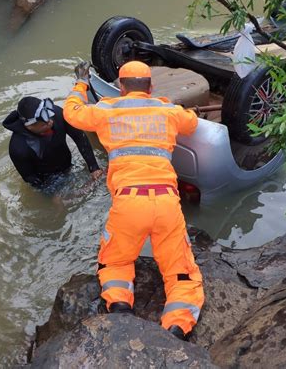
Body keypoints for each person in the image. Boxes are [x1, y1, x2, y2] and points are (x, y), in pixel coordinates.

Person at [63, 60, 204, 340]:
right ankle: (176, 328)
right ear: (150, 87)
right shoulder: (166, 110)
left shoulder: (107, 109)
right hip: (165, 202)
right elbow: (192, 123)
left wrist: (81, 82)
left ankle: (119, 306)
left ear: (120, 86)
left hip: (128, 204)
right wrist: (181, 109)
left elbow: (72, 113)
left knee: (115, 261)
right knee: (180, 270)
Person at [3, 96, 102, 188]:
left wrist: (93, 167)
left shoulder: (57, 113)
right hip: (46, 178)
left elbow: (79, 137)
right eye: (44, 125)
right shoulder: (18, 148)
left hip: (67, 164)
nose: (50, 122)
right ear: (29, 126)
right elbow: (29, 177)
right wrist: (50, 194)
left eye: (50, 118)